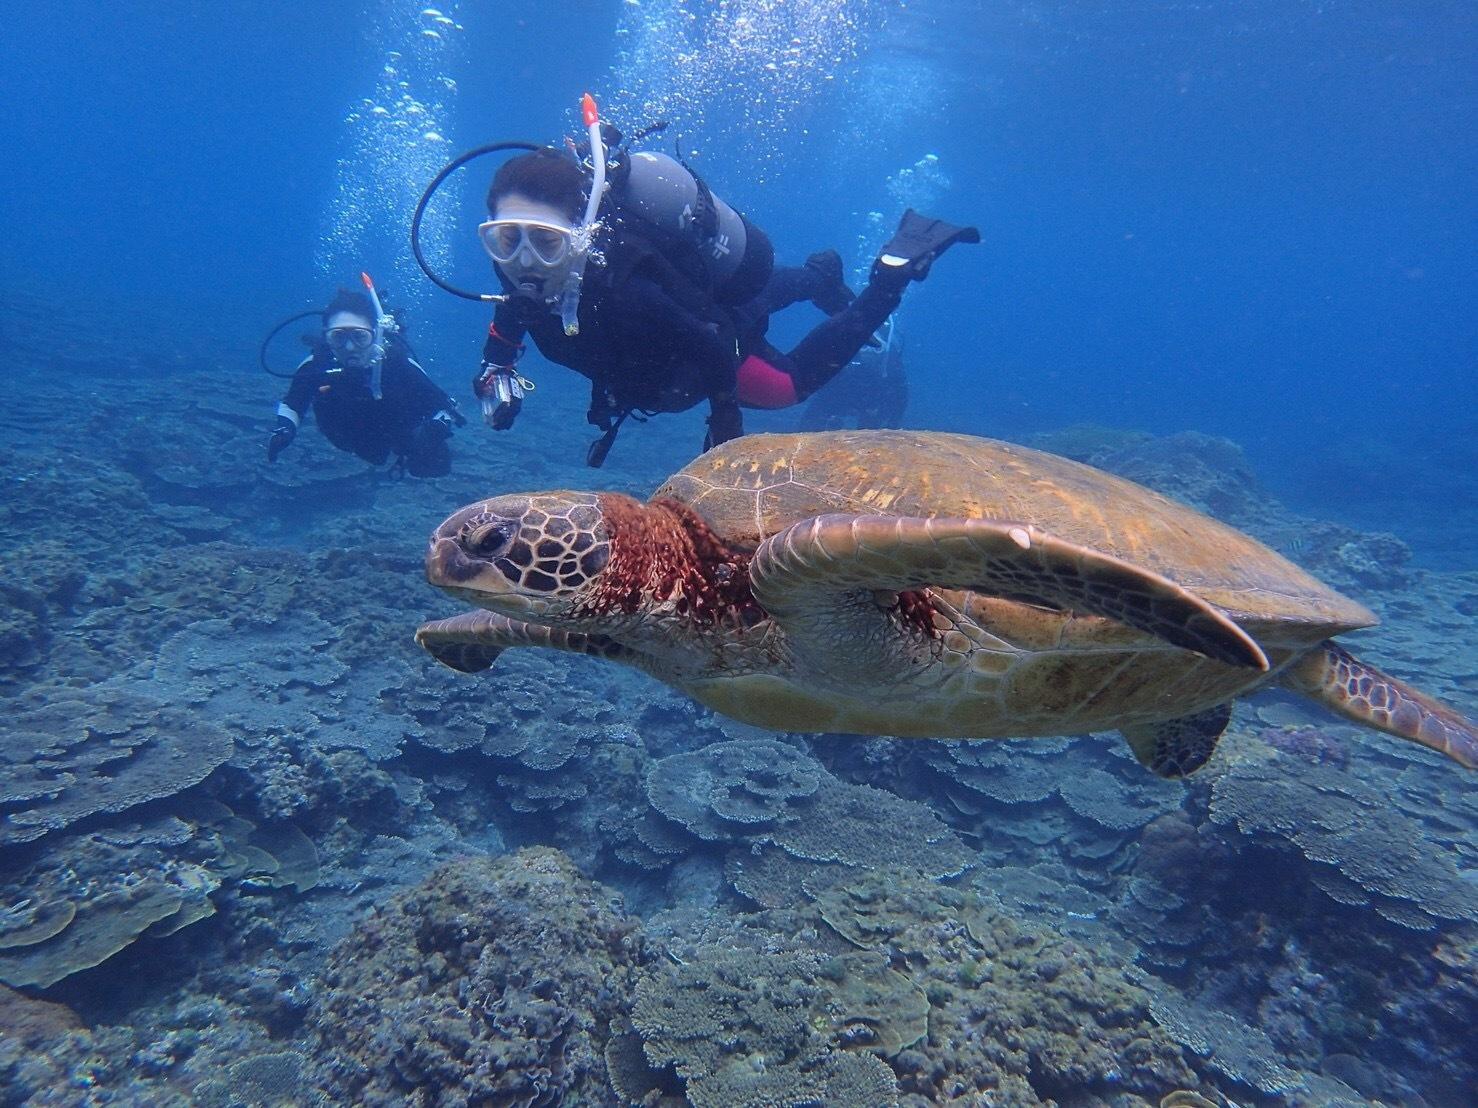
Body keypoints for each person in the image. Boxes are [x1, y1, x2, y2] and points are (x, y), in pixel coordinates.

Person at [472, 141, 977, 463]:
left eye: (545, 240)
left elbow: (711, 345)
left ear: (579, 234)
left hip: (705, 338)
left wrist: (725, 421)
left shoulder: (629, 293)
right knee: (752, 298)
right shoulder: (522, 287)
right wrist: (496, 371)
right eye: (505, 239)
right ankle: (818, 277)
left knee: (785, 386)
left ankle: (891, 275)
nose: (524, 261)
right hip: (686, 313)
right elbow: (510, 323)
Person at [266, 288, 464, 477]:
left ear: (376, 333)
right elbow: (293, 403)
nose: (350, 347)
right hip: (349, 438)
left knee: (433, 466)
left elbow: (446, 406)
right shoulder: (315, 365)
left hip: (400, 434)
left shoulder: (398, 363)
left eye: (359, 336)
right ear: (326, 336)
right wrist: (285, 430)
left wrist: (435, 429)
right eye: (339, 337)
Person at [798, 316, 909, 431]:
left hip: (873, 403)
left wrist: (891, 423)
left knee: (873, 426)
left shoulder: (891, 365)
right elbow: (818, 400)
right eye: (864, 347)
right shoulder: (842, 358)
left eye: (876, 348)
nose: (868, 352)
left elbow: (900, 400)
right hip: (838, 396)